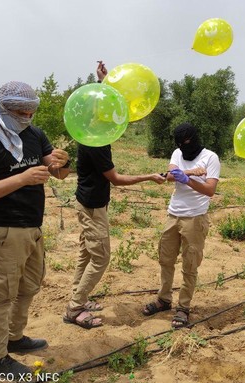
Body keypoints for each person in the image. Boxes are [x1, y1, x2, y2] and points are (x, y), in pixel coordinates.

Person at [0, 81, 71, 378]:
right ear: (2, 108)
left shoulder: (35, 135)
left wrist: (63, 163)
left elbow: (57, 172)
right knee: (1, 296)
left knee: (28, 287)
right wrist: (22, 179)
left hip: (32, 227)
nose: (26, 116)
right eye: (20, 111)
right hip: (3, 231)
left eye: (31, 111)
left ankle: (15, 337)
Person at [62, 61, 167, 329]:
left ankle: (79, 297)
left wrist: (103, 82)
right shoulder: (96, 144)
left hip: (90, 202)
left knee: (87, 253)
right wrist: (150, 176)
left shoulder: (89, 131)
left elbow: (99, 103)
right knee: (101, 258)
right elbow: (117, 180)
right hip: (93, 206)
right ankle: (75, 308)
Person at [142, 122, 220, 328]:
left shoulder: (210, 157)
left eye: (186, 143)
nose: (183, 147)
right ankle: (164, 299)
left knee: (190, 264)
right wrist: (184, 174)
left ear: (194, 139)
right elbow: (169, 174)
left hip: (195, 218)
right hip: (173, 214)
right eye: (180, 144)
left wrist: (187, 179)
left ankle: (183, 307)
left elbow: (210, 190)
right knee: (166, 259)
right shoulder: (177, 153)